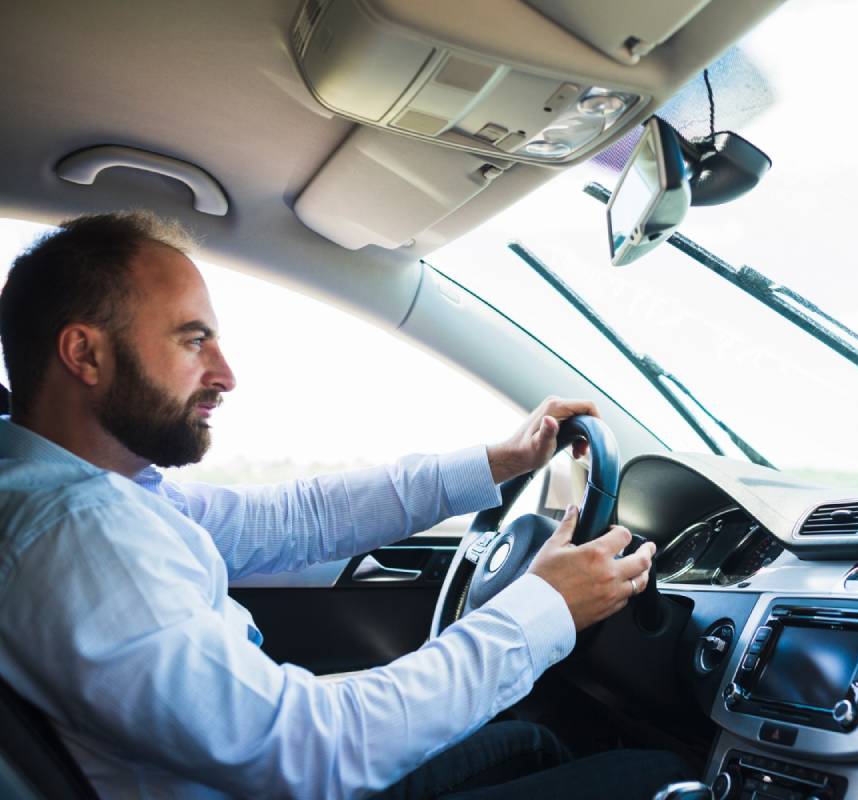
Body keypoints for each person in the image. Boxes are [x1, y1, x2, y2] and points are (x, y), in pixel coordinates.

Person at [0, 212, 692, 798]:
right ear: (85, 354)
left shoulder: (100, 491)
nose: (225, 373)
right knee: (657, 777)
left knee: (532, 744)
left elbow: (292, 519)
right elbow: (310, 752)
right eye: (192, 339)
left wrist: (500, 462)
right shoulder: (77, 533)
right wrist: (545, 607)